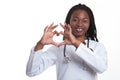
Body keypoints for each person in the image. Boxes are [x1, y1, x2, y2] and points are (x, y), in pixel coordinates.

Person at [26, 3, 107, 80]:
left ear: (90, 23)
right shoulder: (59, 48)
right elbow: (31, 72)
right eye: (75, 20)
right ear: (68, 22)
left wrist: (75, 43)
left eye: (84, 21)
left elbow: (101, 68)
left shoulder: (97, 47)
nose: (79, 24)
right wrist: (40, 44)